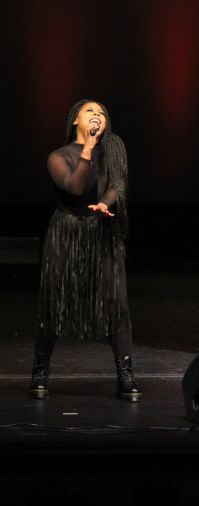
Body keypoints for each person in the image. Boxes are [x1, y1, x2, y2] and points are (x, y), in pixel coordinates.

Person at [29, 99, 142, 402]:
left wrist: (104, 203)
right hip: (66, 231)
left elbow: (119, 183)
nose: (97, 116)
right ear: (75, 120)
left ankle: (125, 375)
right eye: (90, 111)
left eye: (102, 112)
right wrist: (88, 149)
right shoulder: (58, 156)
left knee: (116, 304)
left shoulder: (114, 149)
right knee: (54, 302)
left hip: (101, 232)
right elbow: (75, 188)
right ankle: (39, 372)